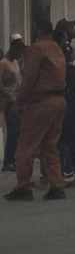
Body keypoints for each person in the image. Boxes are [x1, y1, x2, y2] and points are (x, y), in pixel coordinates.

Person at [4, 20, 67, 202]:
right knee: (50, 146)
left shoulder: (36, 49)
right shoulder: (56, 48)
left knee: (26, 144)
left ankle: (22, 186)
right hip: (58, 101)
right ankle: (56, 185)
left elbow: (29, 79)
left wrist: (19, 102)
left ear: (37, 30)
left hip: (40, 102)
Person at [53, 19, 75, 186]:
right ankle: (68, 171)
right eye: (71, 27)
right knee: (65, 138)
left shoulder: (71, 50)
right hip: (67, 99)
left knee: (73, 137)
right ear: (65, 31)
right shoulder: (61, 49)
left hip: (74, 99)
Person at [0, 36, 24, 172]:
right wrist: (9, 96)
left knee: (18, 131)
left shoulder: (17, 62)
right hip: (8, 101)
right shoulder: (3, 63)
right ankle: (8, 161)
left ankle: (14, 158)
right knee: (12, 131)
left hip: (18, 99)